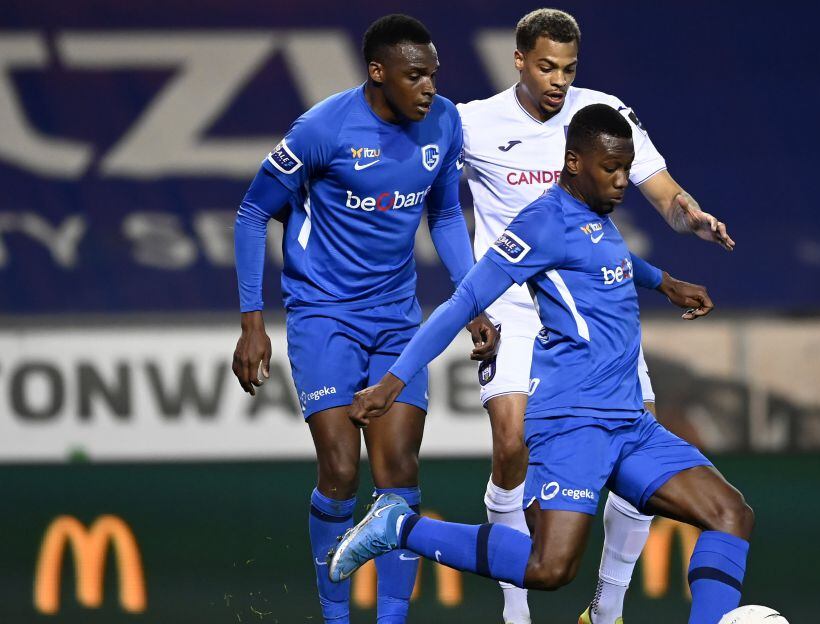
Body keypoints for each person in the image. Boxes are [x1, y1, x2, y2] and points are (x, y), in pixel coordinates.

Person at [330, 104, 754, 624]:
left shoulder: (597, 214)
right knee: (550, 569)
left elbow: (610, 263)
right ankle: (399, 527)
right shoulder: (542, 223)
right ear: (574, 163)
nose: (623, 181)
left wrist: (664, 281)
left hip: (628, 423)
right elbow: (462, 302)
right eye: (611, 169)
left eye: (627, 168)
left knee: (730, 514)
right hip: (572, 420)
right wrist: (392, 381)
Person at [455, 9, 735, 623]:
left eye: (569, 68)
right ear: (520, 61)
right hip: (512, 302)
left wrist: (691, 217)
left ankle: (606, 609)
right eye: (548, 67)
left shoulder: (600, 114)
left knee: (640, 432)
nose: (559, 79)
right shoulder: (473, 124)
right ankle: (516, 611)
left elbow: (663, 192)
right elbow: (443, 211)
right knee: (510, 445)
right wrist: (467, 296)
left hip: (589, 300)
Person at [230, 14, 497, 624]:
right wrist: (252, 321)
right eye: (414, 76)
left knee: (399, 471)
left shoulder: (444, 122)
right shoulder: (323, 128)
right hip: (323, 315)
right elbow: (252, 215)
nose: (429, 87)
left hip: (399, 318)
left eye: (433, 74)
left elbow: (446, 217)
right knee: (342, 470)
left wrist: (471, 302)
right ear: (377, 74)